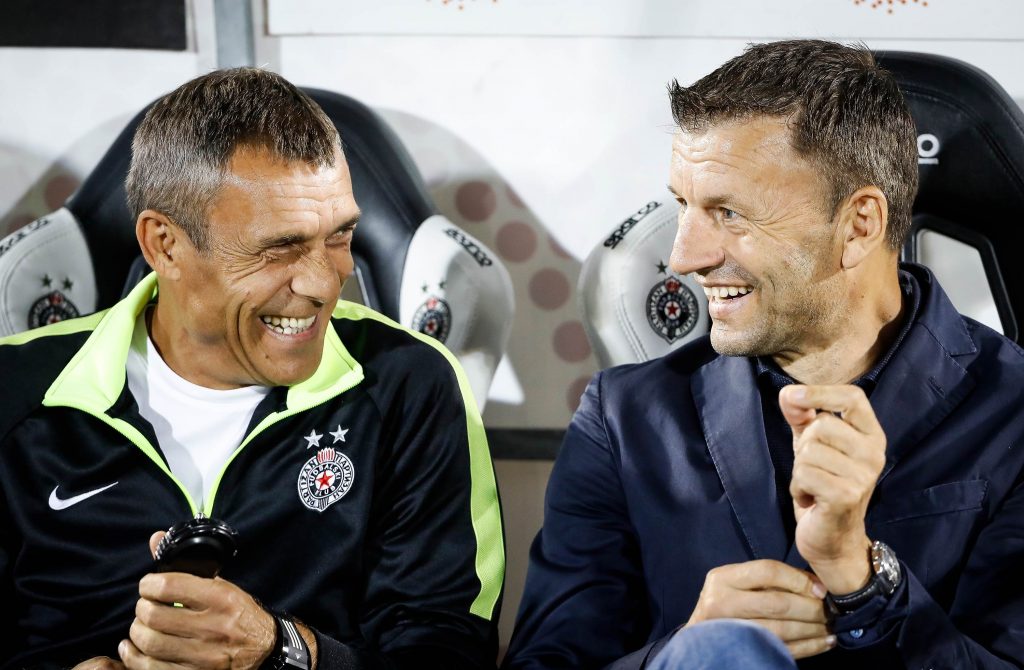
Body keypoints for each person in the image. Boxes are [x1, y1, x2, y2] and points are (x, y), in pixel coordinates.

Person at [503, 40, 1024, 669]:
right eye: (683, 205)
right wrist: (687, 653)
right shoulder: (622, 417)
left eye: (728, 213)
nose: (683, 257)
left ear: (859, 224)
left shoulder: (1014, 414)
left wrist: (866, 585)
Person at [0, 68, 504, 670]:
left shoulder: (410, 385)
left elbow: (450, 652)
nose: (323, 284)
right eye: (280, 247)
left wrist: (283, 650)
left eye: (340, 236)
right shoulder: (15, 393)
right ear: (164, 245)